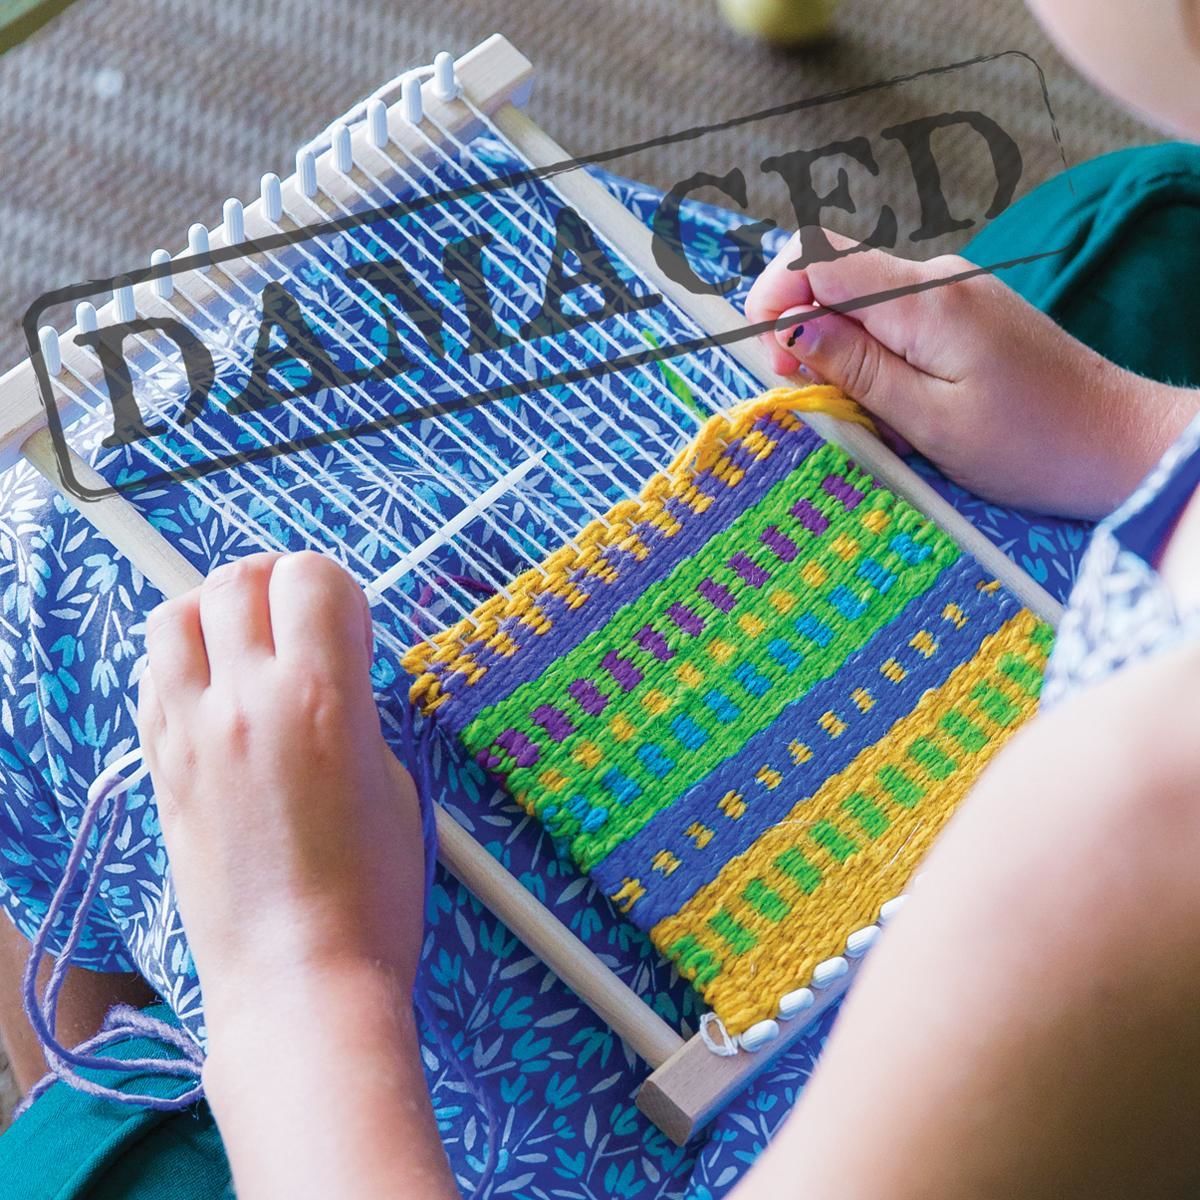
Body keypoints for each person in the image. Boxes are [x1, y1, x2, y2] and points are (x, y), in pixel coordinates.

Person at [3, 1, 1200, 1195]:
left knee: (38, 579)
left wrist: (292, 975)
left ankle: (87, 1113)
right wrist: (1133, 431)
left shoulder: (1114, 845)